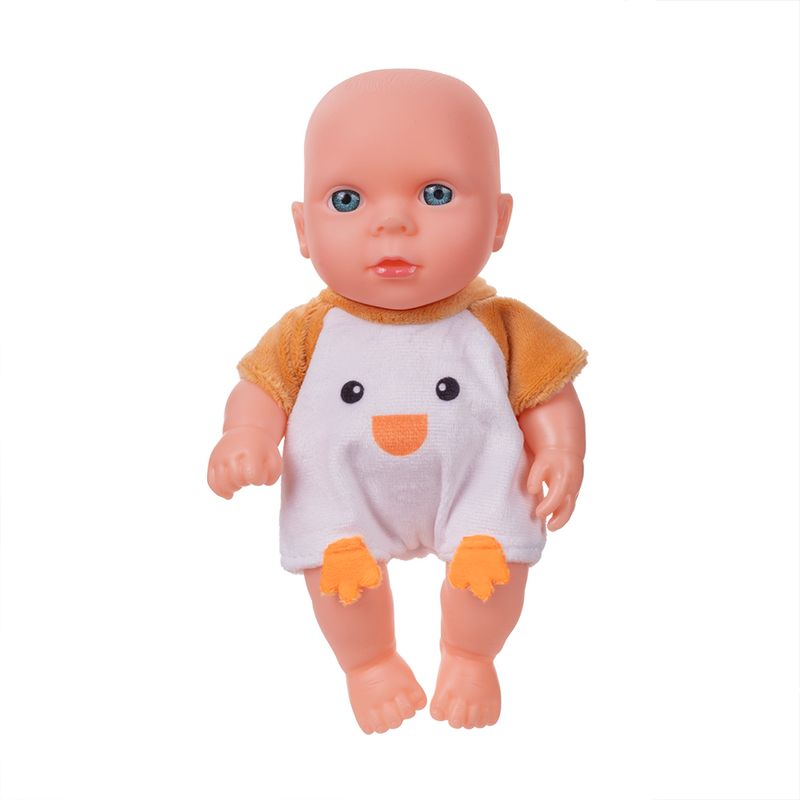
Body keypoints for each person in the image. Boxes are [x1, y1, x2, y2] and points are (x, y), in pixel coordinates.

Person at [208, 68, 587, 733]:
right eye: (347, 200)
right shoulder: (307, 332)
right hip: (343, 490)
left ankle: (470, 655)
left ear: (499, 220)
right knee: (337, 569)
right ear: (302, 228)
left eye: (435, 194)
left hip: (474, 487)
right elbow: (260, 389)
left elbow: (547, 392)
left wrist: (561, 450)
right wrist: (246, 436)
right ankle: (369, 664)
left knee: (493, 564)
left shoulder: (502, 326)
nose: (391, 223)